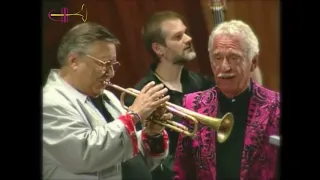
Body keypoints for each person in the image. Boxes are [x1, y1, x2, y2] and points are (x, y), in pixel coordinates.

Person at [42, 22, 172, 180]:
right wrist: (134, 115)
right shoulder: (49, 103)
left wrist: (152, 134)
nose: (111, 73)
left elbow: (124, 155)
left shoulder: (107, 97)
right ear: (74, 61)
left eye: (113, 65)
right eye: (105, 64)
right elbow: (86, 154)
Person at [173, 20, 280, 180]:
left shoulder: (276, 106)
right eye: (217, 58)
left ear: (253, 62)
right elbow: (182, 170)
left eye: (233, 57)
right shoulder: (192, 104)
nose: (224, 67)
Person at [124, 11, 215, 180]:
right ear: (158, 49)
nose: (188, 39)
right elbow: (147, 152)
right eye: (178, 36)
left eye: (185, 32)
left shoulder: (199, 82)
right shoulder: (143, 95)